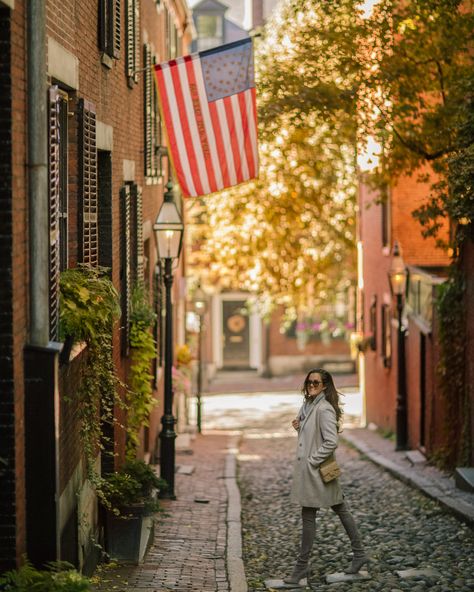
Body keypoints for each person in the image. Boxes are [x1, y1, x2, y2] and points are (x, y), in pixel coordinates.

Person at [283, 368, 368, 586]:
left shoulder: (324, 409)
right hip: (315, 471)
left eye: (316, 383)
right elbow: (313, 436)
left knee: (314, 513)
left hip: (318, 471)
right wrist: (300, 427)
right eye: (309, 382)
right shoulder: (309, 405)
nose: (311, 386)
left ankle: (302, 567)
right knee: (339, 508)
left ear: (325, 386)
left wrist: (312, 460)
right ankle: (359, 554)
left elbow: (331, 441)